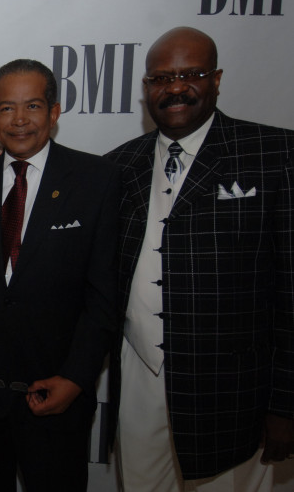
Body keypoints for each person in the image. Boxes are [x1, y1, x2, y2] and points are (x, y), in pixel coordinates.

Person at [107, 26, 294, 491]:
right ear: (146, 87)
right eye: (160, 78)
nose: (175, 88)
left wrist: (286, 404)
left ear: (217, 79)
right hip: (139, 376)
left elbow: (292, 290)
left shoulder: (276, 153)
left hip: (235, 391)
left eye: (190, 74)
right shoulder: (117, 166)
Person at [0, 59, 119, 492]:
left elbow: (105, 294)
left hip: (56, 396)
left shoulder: (97, 179)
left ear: (54, 112)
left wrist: (76, 378)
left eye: (33, 106)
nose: (19, 119)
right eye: (7, 108)